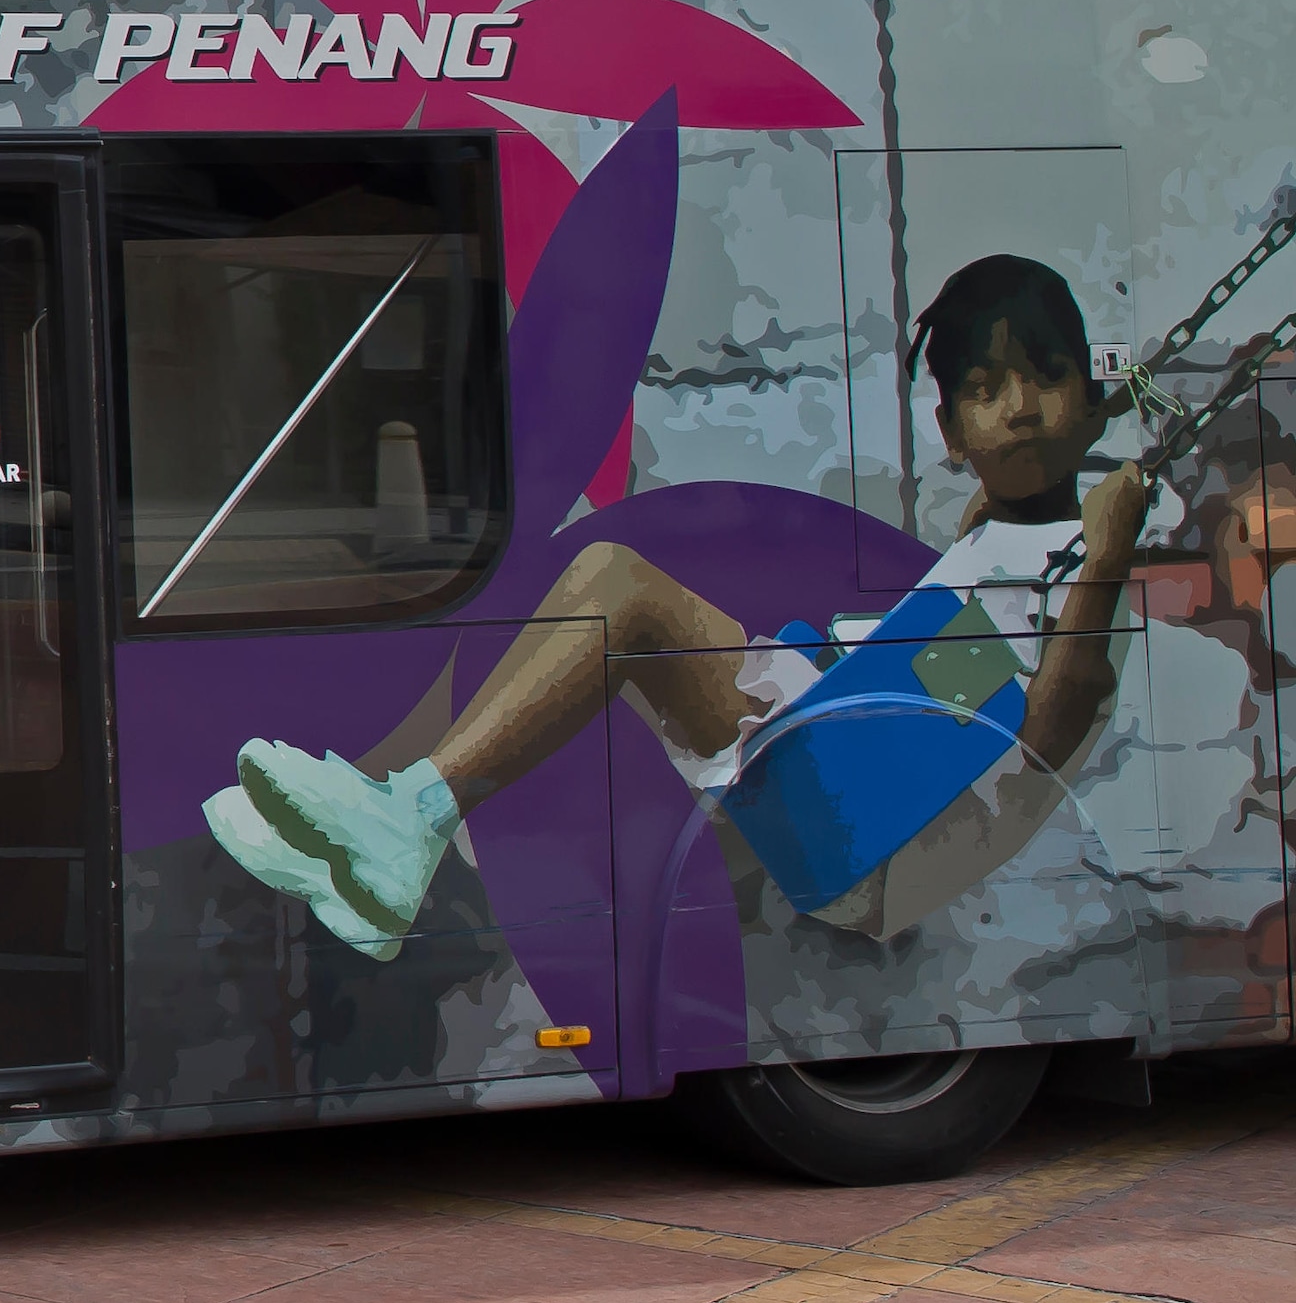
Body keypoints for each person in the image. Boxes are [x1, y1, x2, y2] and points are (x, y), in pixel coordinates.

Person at [215, 256, 1168, 956]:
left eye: (1047, 376)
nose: (1023, 406)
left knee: (618, 590)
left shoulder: (1089, 570)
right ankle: (369, 846)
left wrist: (1109, 556)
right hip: (856, 750)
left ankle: (404, 826)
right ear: (951, 435)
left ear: (1093, 398)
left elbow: (1051, 722)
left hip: (869, 811)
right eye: (984, 389)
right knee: (616, 603)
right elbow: (979, 604)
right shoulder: (1012, 539)